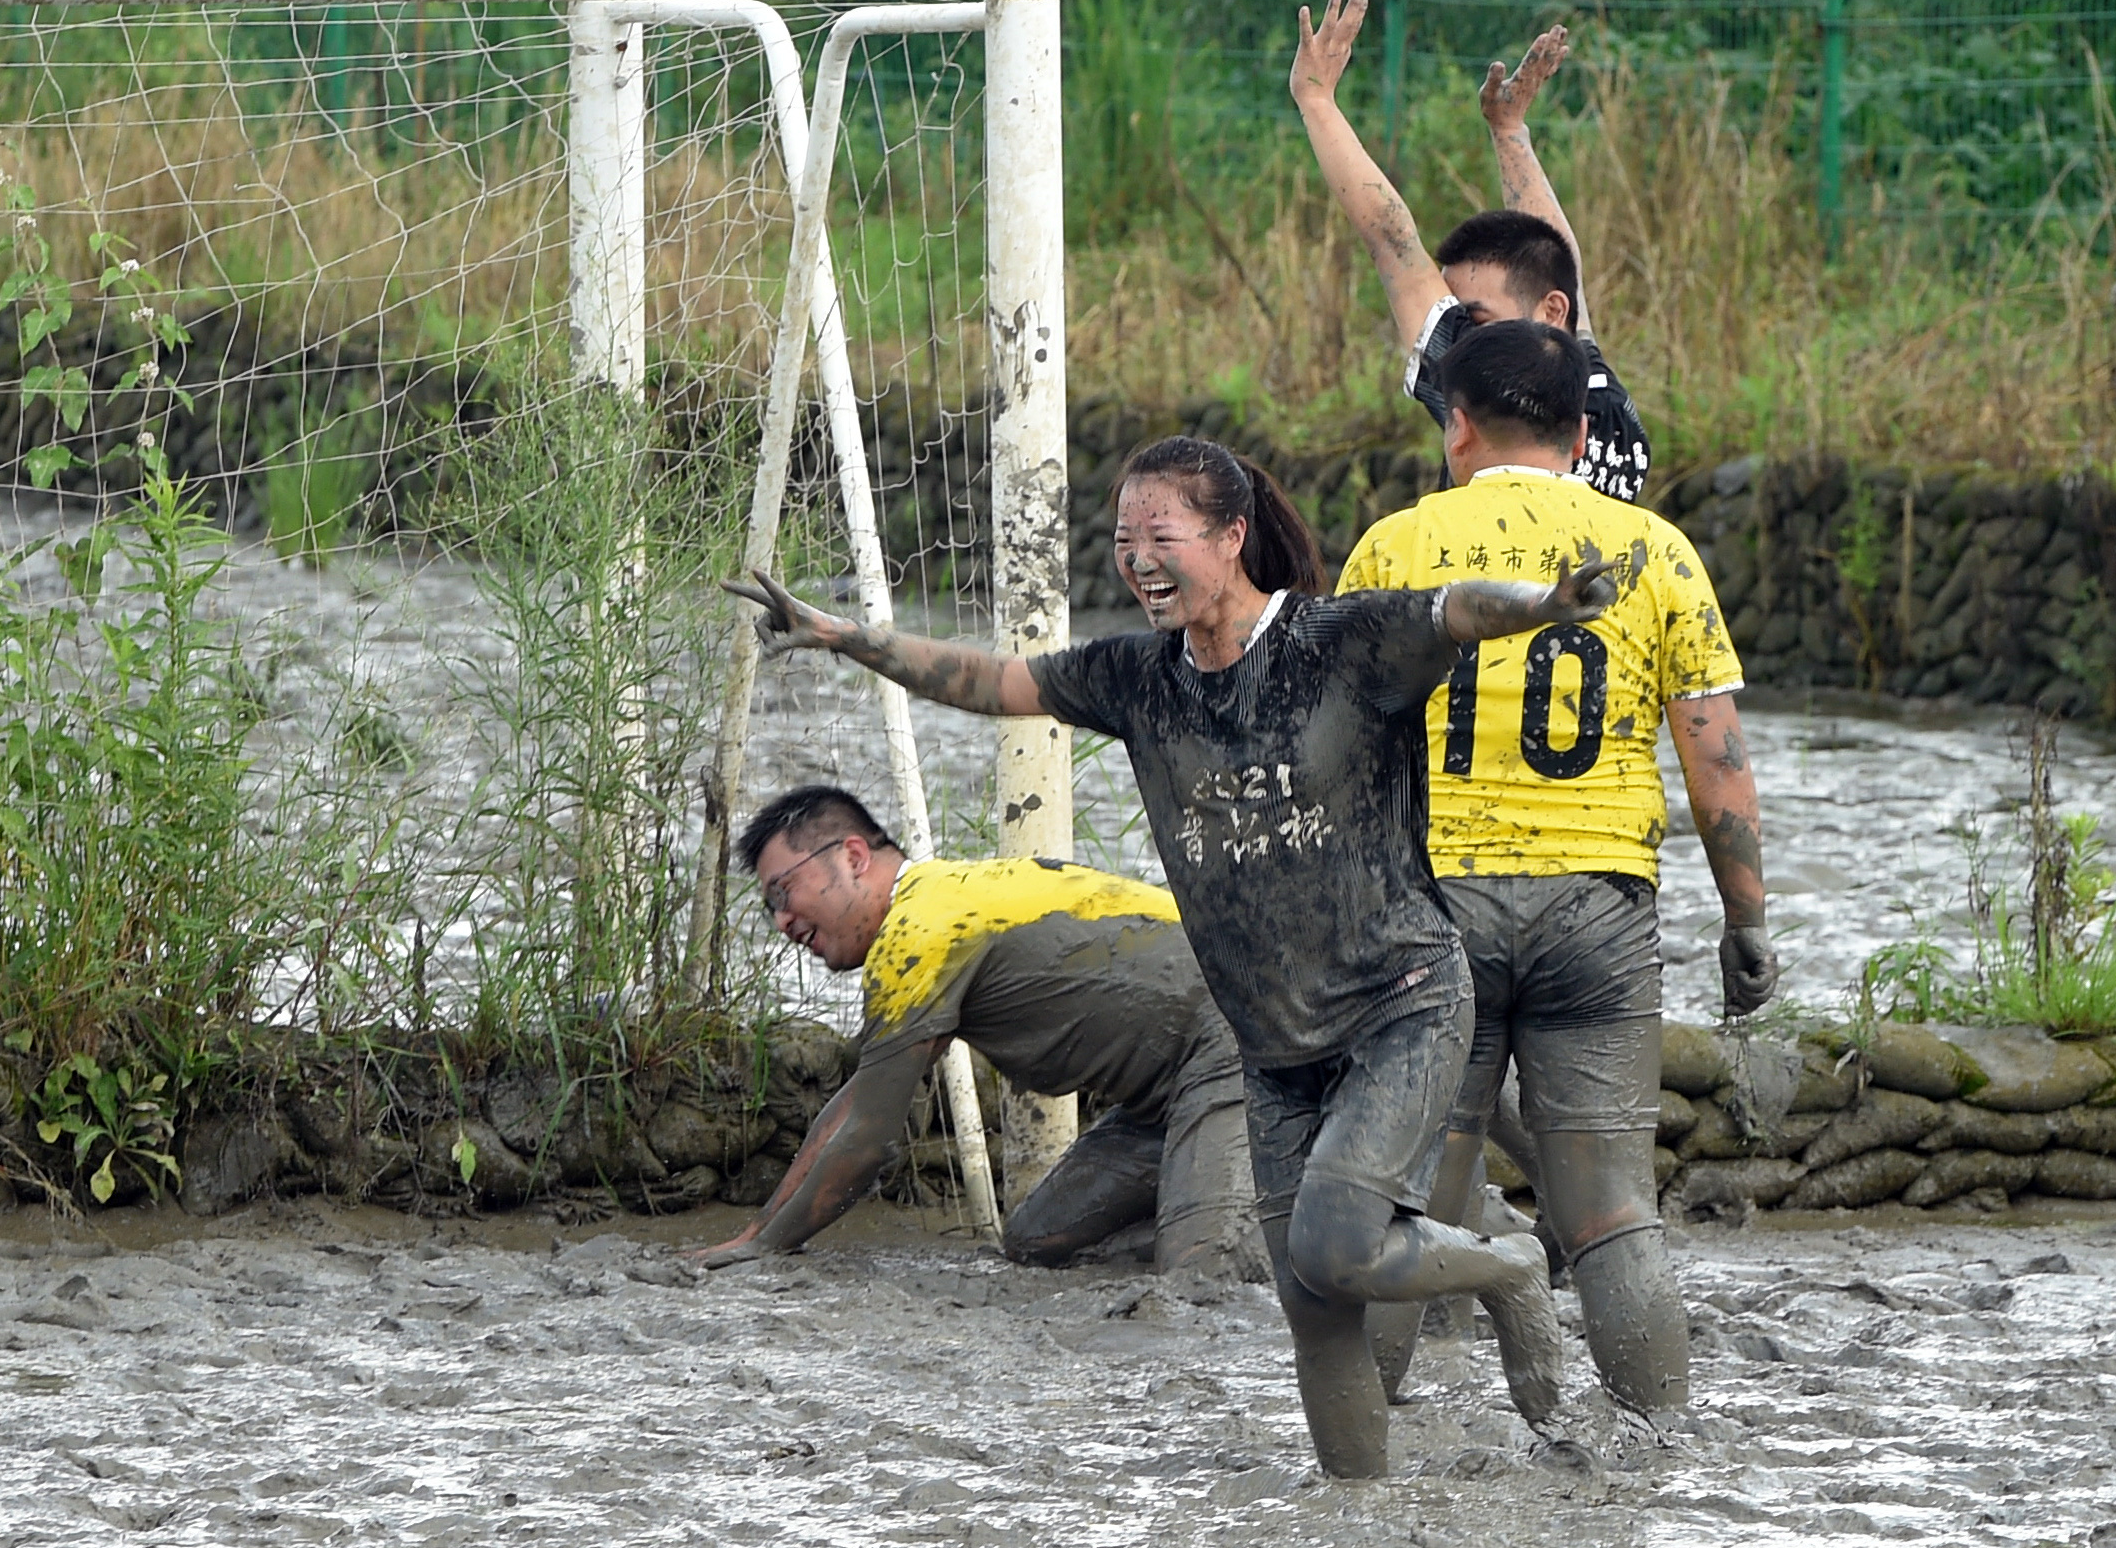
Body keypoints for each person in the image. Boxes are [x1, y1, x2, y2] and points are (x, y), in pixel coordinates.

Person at [721, 436, 1621, 1478]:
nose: (1138, 560)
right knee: (1313, 1306)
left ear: (1232, 536)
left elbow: (1454, 609)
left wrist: (1543, 604)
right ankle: (1352, 1519)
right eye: (1121, 540)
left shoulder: (1336, 643)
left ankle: (1508, 1266)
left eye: (1161, 537)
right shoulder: (1134, 679)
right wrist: (849, 639)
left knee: (1332, 1243)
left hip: (1401, 1003)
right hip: (1271, 1041)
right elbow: (989, 678)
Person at [1338, 318, 1778, 1418]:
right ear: (1581, 433)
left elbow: (1338, 744)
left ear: (1455, 424)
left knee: (1400, 1202)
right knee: (1612, 1213)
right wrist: (1746, 921)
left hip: (1433, 911)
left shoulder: (1392, 548)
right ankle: (1659, 1452)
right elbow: (1713, 755)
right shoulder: (1655, 550)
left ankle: (1360, 1463)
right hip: (1598, 910)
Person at [686, 785, 1261, 1279]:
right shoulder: (936, 907)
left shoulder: (918, 932)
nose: (783, 922)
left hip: (1236, 1040)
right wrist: (756, 1232)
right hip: (1164, 1096)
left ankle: (1253, 1217)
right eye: (769, 910)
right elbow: (858, 1104)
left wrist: (767, 1248)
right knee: (1039, 1242)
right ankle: (1253, 1206)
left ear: (854, 856)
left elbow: (866, 1142)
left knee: (1203, 1272)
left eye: (783, 895)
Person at [1292, 0, 1649, 503]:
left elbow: (1393, 245)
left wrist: (1317, 101)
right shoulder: (1585, 384)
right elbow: (1554, 268)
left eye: (1477, 320)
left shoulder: (1492, 402)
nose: (1461, 337)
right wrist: (1509, 132)